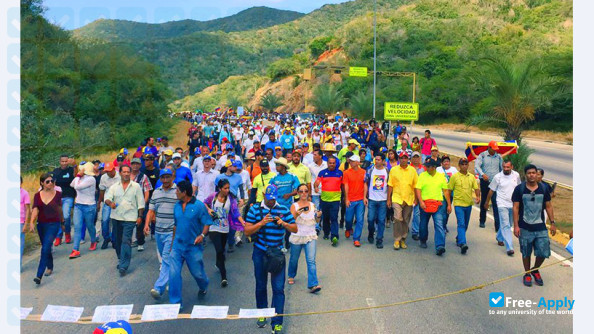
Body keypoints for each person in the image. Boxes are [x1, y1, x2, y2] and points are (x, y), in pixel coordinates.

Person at [244, 184, 297, 334]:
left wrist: (284, 223)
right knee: (261, 285)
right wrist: (261, 223)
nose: (271, 202)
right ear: (263, 195)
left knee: (278, 288)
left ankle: (277, 321)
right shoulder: (255, 210)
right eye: (268, 199)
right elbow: (247, 230)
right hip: (260, 252)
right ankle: (262, 314)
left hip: (278, 254)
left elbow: (295, 228)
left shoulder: (283, 209)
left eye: (273, 199)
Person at [168, 180, 213, 308]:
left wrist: (202, 235)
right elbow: (176, 226)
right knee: (173, 274)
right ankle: (175, 303)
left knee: (198, 274)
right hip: (178, 246)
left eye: (177, 190)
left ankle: (203, 285)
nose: (175, 192)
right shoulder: (176, 206)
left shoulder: (199, 206)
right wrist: (172, 244)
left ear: (185, 192)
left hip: (193, 247)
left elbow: (207, 222)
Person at [512, 164, 556, 287]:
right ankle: (527, 273)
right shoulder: (519, 189)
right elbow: (515, 207)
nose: (531, 175)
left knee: (543, 252)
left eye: (534, 173)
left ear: (537, 174)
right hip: (525, 226)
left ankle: (535, 269)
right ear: (525, 175)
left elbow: (548, 206)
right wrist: (516, 226)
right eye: (529, 173)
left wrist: (552, 223)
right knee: (526, 252)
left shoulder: (544, 188)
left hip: (540, 226)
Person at [104, 165, 145, 276]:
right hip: (116, 217)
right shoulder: (114, 187)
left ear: (130, 173)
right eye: (124, 172)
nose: (126, 174)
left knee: (126, 240)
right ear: (120, 173)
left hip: (130, 218)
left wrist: (140, 216)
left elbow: (141, 203)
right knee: (117, 241)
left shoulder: (136, 187)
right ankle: (120, 258)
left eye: (128, 172)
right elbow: (107, 198)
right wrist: (110, 203)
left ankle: (123, 265)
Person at [204, 179, 246, 287]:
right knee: (219, 250)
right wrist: (209, 210)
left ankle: (219, 263)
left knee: (221, 250)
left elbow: (236, 212)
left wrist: (243, 223)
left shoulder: (231, 199)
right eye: (225, 188)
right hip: (213, 228)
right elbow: (204, 203)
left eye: (228, 188)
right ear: (220, 188)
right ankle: (224, 277)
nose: (227, 190)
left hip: (225, 229)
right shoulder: (213, 196)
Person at [146, 169, 177, 300]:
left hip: (172, 232)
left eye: (167, 177)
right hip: (159, 231)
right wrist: (147, 224)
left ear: (172, 177)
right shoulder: (156, 193)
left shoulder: (177, 191)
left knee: (166, 258)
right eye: (162, 177)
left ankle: (158, 288)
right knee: (167, 259)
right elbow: (151, 210)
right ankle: (170, 281)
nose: (165, 180)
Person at [288, 184, 322, 293]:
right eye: (301, 191)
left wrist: (319, 216)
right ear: (298, 193)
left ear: (308, 193)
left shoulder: (312, 205)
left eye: (306, 191)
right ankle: (291, 274)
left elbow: (316, 221)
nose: (303, 193)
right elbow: (290, 221)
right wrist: (297, 214)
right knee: (294, 259)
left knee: (311, 260)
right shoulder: (294, 205)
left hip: (310, 235)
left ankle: (313, 284)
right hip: (297, 236)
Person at [30, 173, 63, 284]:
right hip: (41, 224)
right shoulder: (37, 195)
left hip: (54, 224)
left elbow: (59, 209)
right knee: (46, 246)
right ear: (42, 183)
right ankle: (50, 266)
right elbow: (35, 209)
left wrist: (62, 221)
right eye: (47, 181)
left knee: (45, 247)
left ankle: (39, 275)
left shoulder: (58, 194)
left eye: (52, 181)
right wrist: (31, 222)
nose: (50, 183)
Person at [415, 159, 451, 255]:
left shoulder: (440, 176)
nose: (426, 168)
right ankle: (423, 239)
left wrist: (449, 204)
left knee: (439, 224)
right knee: (423, 223)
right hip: (425, 204)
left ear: (434, 167)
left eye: (428, 166)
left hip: (438, 204)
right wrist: (421, 201)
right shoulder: (422, 175)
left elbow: (445, 191)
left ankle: (440, 246)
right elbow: (418, 189)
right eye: (426, 166)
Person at [486, 160, 521, 256]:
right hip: (501, 203)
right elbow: (491, 190)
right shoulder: (498, 177)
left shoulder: (516, 175)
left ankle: (500, 237)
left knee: (509, 224)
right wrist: (486, 202)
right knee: (506, 225)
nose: (505, 169)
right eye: (504, 167)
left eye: (508, 167)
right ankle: (509, 247)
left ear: (511, 167)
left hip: (513, 204)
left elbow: (519, 188)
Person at [387, 151, 418, 250]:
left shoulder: (412, 170)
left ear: (408, 159)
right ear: (399, 159)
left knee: (405, 220)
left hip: (409, 199)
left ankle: (403, 239)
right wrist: (388, 199)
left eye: (405, 158)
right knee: (397, 218)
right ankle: (397, 239)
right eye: (402, 158)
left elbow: (416, 186)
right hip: (397, 198)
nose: (403, 159)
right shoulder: (394, 170)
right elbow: (390, 185)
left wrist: (416, 199)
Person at [448, 158, 480, 254]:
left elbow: (476, 188)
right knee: (461, 223)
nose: (464, 166)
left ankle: (459, 237)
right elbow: (449, 190)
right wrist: (449, 204)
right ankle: (463, 243)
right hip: (458, 204)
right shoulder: (454, 177)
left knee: (465, 225)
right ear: (459, 165)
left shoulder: (471, 177)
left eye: (466, 164)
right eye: (462, 164)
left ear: (468, 165)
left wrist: (478, 196)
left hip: (468, 204)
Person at [269, 157, 300, 251]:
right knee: (277, 225)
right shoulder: (274, 177)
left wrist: (289, 194)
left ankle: (287, 242)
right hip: (276, 206)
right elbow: (269, 190)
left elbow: (298, 189)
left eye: (277, 165)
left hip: (288, 206)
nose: (276, 166)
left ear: (283, 166)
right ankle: (279, 245)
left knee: (288, 225)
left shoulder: (292, 176)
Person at [69, 162, 98, 258]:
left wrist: (78, 176)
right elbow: (72, 184)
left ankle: (93, 240)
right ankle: (75, 249)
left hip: (89, 206)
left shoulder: (91, 179)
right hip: (78, 205)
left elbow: (77, 186)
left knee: (90, 226)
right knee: (77, 227)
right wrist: (78, 176)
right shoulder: (81, 177)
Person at [314, 156, 343, 246]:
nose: (332, 164)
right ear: (327, 163)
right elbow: (317, 182)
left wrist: (345, 196)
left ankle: (334, 236)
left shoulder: (340, 173)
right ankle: (326, 233)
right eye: (330, 163)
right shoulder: (322, 172)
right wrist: (315, 186)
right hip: (324, 199)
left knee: (334, 218)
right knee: (326, 218)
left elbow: (343, 185)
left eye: (333, 163)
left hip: (335, 200)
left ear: (336, 163)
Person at [475, 140, 503, 230]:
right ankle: (482, 221)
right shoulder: (482, 155)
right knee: (484, 201)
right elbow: (477, 166)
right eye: (493, 149)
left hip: (495, 183)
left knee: (495, 202)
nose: (495, 150)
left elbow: (501, 168)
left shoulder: (498, 157)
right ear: (489, 147)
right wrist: (482, 174)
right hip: (485, 181)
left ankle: (497, 226)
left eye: (496, 149)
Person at [364, 152, 388, 248]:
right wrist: (365, 196)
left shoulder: (387, 171)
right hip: (372, 199)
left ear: (383, 161)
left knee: (381, 220)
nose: (376, 161)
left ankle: (379, 239)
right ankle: (371, 232)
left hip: (383, 200)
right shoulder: (370, 169)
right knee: (370, 219)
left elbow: (390, 185)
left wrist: (389, 199)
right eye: (375, 159)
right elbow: (365, 182)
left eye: (378, 160)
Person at [343, 155, 366, 247]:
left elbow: (365, 185)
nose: (350, 163)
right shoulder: (346, 172)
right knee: (348, 219)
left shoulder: (364, 172)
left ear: (357, 162)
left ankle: (356, 239)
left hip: (360, 199)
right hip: (351, 199)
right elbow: (346, 186)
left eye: (352, 161)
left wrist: (364, 197)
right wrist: (347, 198)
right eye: (350, 161)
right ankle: (348, 228)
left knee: (360, 220)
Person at [52, 154, 75, 246]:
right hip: (57, 197)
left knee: (66, 216)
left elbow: (76, 177)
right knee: (57, 217)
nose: (64, 163)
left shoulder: (71, 170)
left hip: (68, 197)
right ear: (60, 161)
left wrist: (75, 165)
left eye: (66, 161)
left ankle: (67, 233)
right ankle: (58, 236)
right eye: (63, 161)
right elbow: (52, 183)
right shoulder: (56, 171)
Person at [98, 163, 120, 249]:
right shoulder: (104, 177)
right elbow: (102, 191)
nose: (108, 173)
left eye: (110, 171)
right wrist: (100, 202)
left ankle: (114, 239)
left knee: (115, 221)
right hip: (107, 200)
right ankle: (106, 238)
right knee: (105, 220)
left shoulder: (119, 176)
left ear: (114, 169)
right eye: (106, 171)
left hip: (118, 201)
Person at [409, 152, 425, 240]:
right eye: (414, 157)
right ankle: (404, 227)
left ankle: (415, 231)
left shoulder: (423, 169)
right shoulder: (408, 168)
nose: (415, 159)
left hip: (419, 194)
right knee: (406, 214)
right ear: (411, 159)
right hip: (408, 193)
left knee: (416, 214)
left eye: (417, 157)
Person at [21, 177, 32, 269]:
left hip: (20, 222)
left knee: (19, 245)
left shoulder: (24, 193)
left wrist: (26, 223)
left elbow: (28, 209)